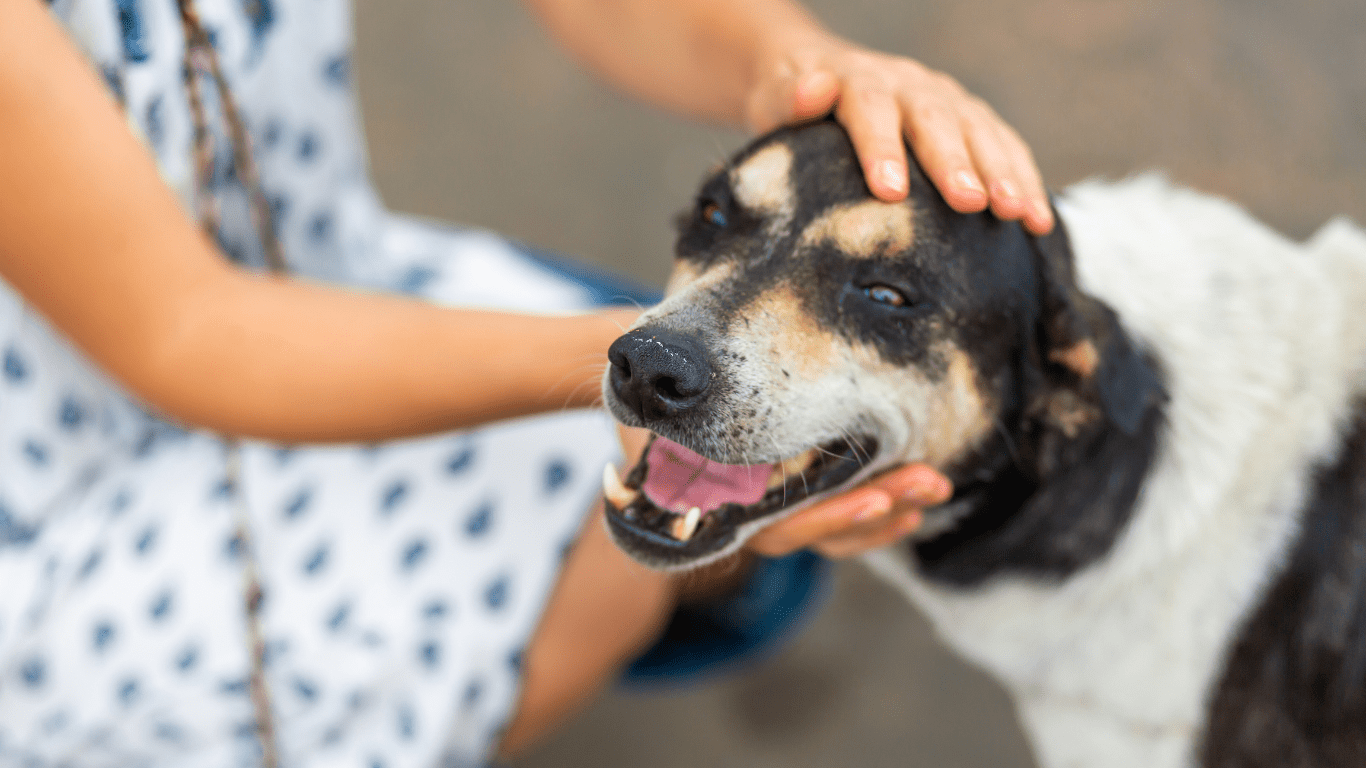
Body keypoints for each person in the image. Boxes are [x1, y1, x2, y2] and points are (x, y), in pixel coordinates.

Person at [0, 0, 1053, 765]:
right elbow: (189, 332)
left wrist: (794, 61)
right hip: (57, 485)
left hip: (314, 273)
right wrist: (642, 361)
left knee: (702, 478)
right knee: (647, 533)